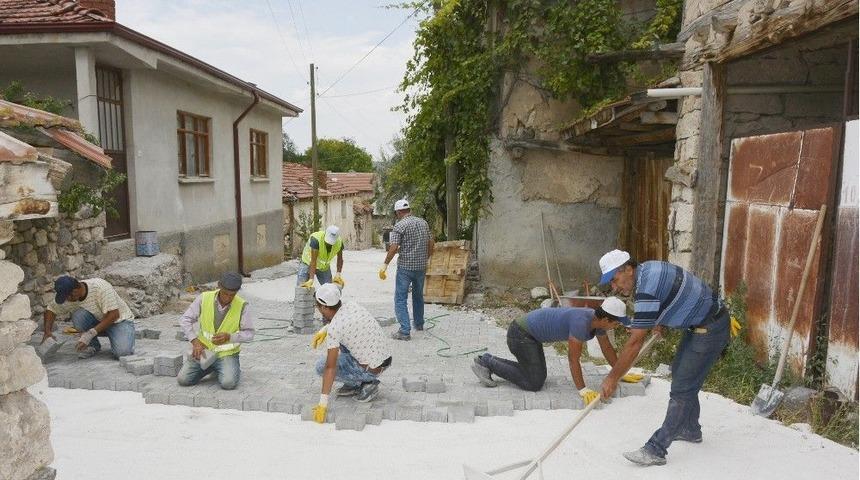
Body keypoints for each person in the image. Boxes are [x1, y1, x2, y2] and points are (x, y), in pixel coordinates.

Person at [597, 249, 731, 466]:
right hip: (700, 324)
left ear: (628, 269)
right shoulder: (647, 270)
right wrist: (658, 320)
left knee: (682, 389)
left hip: (710, 328)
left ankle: (656, 449)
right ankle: (690, 429)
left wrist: (612, 378)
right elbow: (670, 292)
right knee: (681, 374)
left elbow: (634, 343)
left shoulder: (646, 289)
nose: (614, 287)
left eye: (614, 280)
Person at [471, 297, 642, 405]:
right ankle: (485, 362)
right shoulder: (580, 323)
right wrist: (582, 389)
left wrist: (620, 372)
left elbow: (607, 349)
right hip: (520, 334)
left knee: (536, 377)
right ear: (605, 319)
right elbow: (573, 359)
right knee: (533, 383)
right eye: (616, 323)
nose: (617, 326)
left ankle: (491, 362)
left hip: (531, 337)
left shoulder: (597, 323)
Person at [310, 283, 392, 423]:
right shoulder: (352, 305)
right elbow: (345, 323)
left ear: (324, 307)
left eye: (318, 307)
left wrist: (322, 404)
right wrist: (325, 329)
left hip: (371, 369)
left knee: (321, 367)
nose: (318, 310)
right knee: (344, 341)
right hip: (384, 358)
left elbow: (330, 367)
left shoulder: (336, 329)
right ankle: (357, 380)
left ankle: (365, 383)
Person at [177, 272, 254, 390]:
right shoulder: (204, 298)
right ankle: (212, 367)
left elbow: (249, 334)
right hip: (204, 352)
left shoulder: (242, 306)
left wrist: (230, 337)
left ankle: (227, 368)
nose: (227, 298)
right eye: (225, 293)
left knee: (228, 383)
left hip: (226, 355)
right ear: (219, 286)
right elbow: (185, 319)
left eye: (232, 295)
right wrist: (195, 341)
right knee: (183, 379)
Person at [41, 275, 135, 359]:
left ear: (75, 291)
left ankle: (121, 336)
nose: (66, 300)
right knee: (78, 315)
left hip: (119, 321)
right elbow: (51, 309)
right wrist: (47, 332)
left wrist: (89, 334)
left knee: (122, 353)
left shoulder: (100, 287)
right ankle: (92, 345)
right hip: (99, 321)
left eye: (67, 297)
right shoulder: (69, 298)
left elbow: (114, 314)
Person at [379, 199, 434, 340]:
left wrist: (385, 265)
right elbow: (431, 243)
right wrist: (426, 258)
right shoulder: (423, 223)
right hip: (421, 267)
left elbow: (393, 247)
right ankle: (419, 324)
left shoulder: (400, 225)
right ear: (409, 209)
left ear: (398, 212)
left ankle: (404, 331)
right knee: (418, 296)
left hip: (405, 268)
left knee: (400, 299)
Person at [298, 225, 345, 289]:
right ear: (325, 234)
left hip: (323, 267)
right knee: (302, 289)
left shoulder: (339, 242)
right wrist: (311, 279)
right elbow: (313, 261)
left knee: (330, 290)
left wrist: (338, 273)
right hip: (307, 264)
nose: (329, 244)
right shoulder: (316, 239)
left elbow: (340, 259)